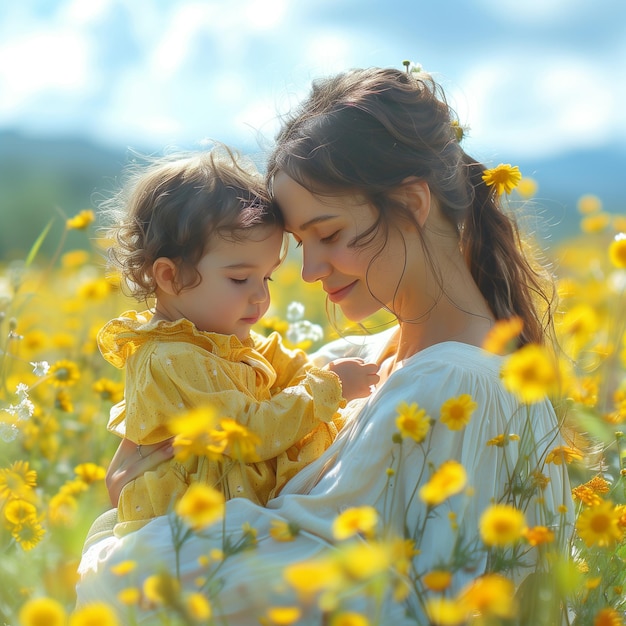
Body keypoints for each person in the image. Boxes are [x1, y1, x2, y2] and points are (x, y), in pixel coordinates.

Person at [77, 67, 573, 624]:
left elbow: (293, 590)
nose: (310, 271)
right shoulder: (350, 365)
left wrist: (113, 544)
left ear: (412, 204)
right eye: (301, 243)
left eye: (329, 233)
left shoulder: (456, 386)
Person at [93, 145, 379, 536]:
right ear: (169, 277)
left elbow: (272, 359)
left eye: (267, 278)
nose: (261, 296)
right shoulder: (170, 356)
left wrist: (321, 372)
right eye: (240, 279)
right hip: (194, 534)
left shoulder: (210, 337)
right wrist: (330, 387)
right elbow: (252, 433)